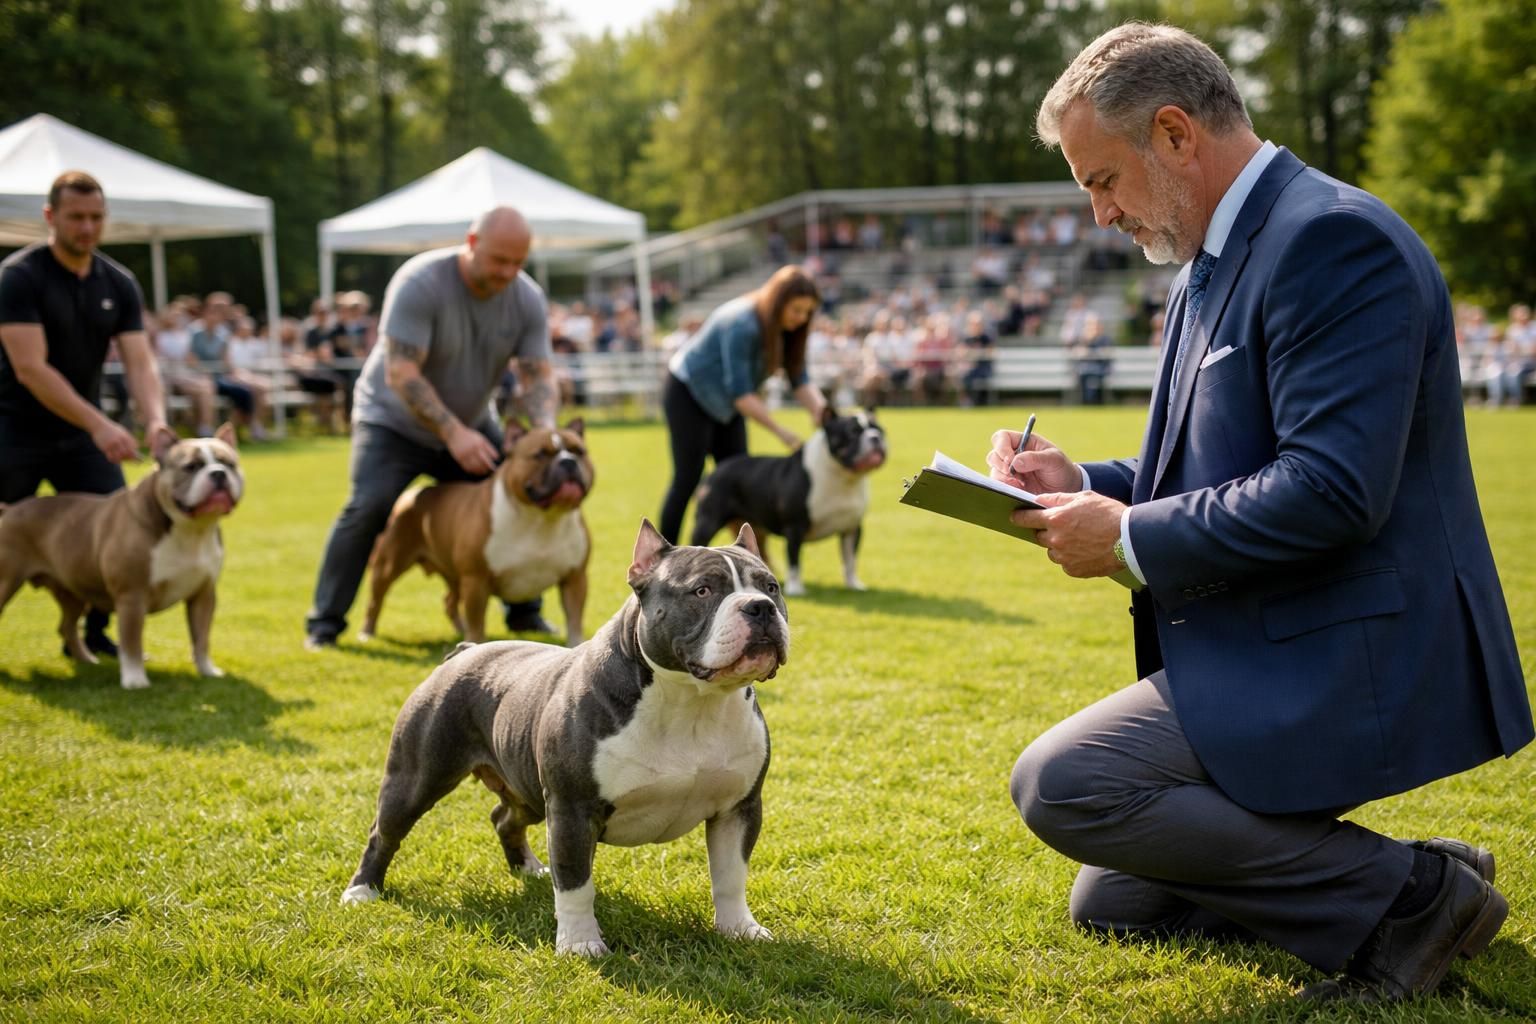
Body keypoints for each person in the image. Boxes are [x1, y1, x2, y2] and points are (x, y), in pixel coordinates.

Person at [990, 23, 1531, 1005]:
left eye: (1102, 180)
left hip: (1354, 649)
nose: (1100, 213)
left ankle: (1413, 903)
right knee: (1116, 899)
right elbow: (1221, 464)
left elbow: (1329, 489)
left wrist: (1126, 537)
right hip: (1289, 630)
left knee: (1064, 783)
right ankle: (1405, 868)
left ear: (1175, 135)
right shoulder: (1219, 250)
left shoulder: (1330, 239)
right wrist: (1089, 480)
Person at [304, 206, 559, 650]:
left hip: (475, 424)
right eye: (500, 260)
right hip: (391, 421)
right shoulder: (420, 283)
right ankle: (325, 623)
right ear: (472, 243)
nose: (508, 273)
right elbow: (402, 373)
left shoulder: (526, 298)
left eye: (518, 263)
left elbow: (537, 374)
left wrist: (545, 435)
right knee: (369, 505)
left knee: (519, 491)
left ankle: (523, 612)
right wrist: (453, 434)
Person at [0, 170, 168, 656]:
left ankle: (94, 632)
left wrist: (155, 419)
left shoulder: (119, 282)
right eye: (76, 217)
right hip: (14, 428)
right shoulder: (19, 277)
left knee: (120, 528)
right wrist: (100, 424)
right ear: (50, 217)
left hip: (79, 434)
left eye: (97, 217)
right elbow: (31, 369)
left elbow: (139, 361)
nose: (88, 228)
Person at [657, 264, 828, 544]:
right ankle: (664, 560)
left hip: (726, 404)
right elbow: (741, 393)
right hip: (689, 393)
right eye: (796, 310)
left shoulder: (789, 329)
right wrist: (781, 431)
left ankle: (750, 564)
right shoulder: (741, 323)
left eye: (808, 312)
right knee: (687, 478)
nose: (802, 318)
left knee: (742, 485)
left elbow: (800, 378)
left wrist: (823, 413)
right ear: (778, 302)